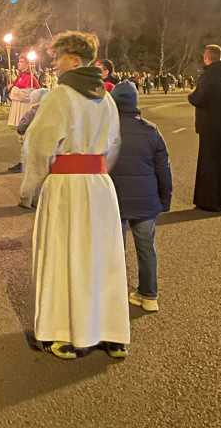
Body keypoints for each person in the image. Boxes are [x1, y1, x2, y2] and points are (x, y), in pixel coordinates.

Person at [19, 31, 129, 360]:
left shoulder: (60, 97)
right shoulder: (106, 99)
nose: (54, 63)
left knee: (62, 257)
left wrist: (30, 189)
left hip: (66, 187)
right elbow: (113, 146)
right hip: (99, 186)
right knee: (103, 258)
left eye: (60, 57)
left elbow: (39, 146)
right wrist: (96, 174)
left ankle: (60, 334)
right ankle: (111, 333)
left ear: (76, 61)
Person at [110, 81, 172, 312]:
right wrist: (164, 200)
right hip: (146, 200)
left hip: (114, 199)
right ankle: (149, 295)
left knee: (115, 249)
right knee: (146, 249)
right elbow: (163, 169)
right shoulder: (151, 130)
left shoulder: (106, 131)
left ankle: (113, 296)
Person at [188, 45, 221, 212]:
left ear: (207, 57)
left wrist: (190, 95)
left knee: (209, 165)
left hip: (209, 126)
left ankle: (209, 200)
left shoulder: (207, 76)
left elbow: (199, 98)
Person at [7, 54, 39, 127]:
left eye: (21, 62)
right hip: (18, 107)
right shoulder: (20, 76)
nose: (18, 63)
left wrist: (12, 89)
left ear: (28, 65)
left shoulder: (30, 78)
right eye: (19, 61)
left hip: (25, 108)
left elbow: (26, 95)